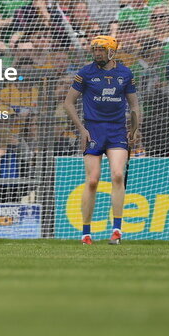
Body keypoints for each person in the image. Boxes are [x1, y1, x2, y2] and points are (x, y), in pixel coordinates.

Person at [63, 36, 141, 246]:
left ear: (111, 52)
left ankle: (116, 230)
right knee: (92, 180)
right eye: (95, 50)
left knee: (117, 175)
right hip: (94, 130)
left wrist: (134, 130)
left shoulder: (125, 73)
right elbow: (68, 103)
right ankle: (86, 233)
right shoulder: (86, 73)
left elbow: (134, 106)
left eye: (101, 50)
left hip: (117, 131)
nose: (97, 53)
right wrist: (81, 129)